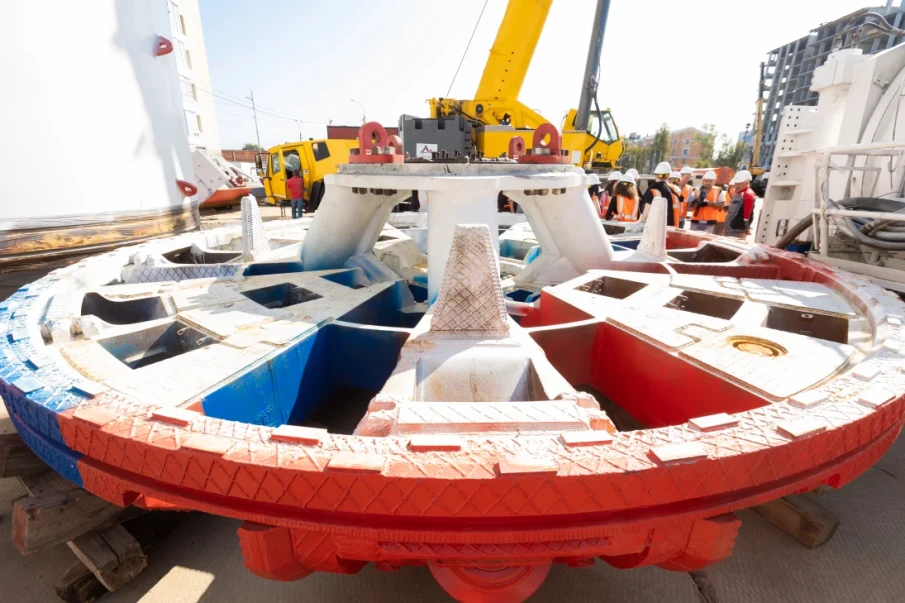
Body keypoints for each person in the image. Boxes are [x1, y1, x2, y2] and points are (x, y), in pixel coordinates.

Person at [639, 162, 680, 227]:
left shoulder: (652, 192)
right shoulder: (675, 192)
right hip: (671, 229)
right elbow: (680, 212)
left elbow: (645, 216)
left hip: (655, 229)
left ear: (656, 176)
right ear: (669, 176)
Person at [724, 170, 756, 238]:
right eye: (736, 183)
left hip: (736, 230)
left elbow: (747, 216)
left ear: (746, 182)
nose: (736, 185)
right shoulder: (739, 193)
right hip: (730, 229)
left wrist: (746, 227)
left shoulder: (747, 194)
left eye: (739, 183)